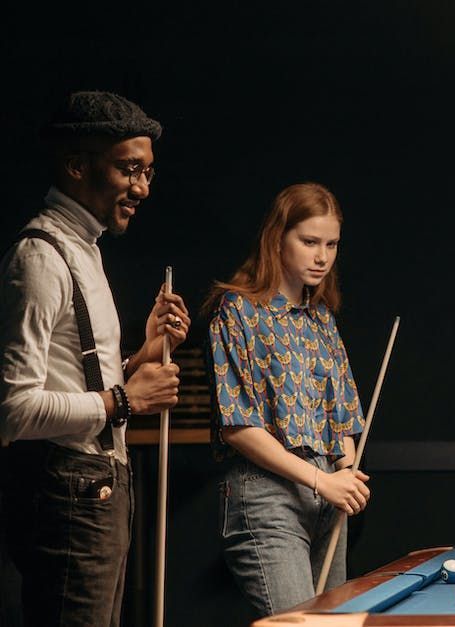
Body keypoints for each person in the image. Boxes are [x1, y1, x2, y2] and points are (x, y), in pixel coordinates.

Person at [0, 91, 187, 626]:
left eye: (149, 172)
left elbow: (74, 374)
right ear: (77, 165)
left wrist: (141, 356)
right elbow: (13, 410)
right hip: (68, 493)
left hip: (99, 489)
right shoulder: (38, 258)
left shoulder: (85, 247)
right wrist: (125, 399)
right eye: (130, 170)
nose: (143, 189)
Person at [207, 182, 369, 617]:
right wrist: (323, 481)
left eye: (332, 244)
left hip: (328, 498)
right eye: (310, 241)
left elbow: (342, 420)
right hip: (267, 495)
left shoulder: (322, 319)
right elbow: (239, 427)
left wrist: (345, 472)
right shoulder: (237, 311)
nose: (322, 256)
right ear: (278, 238)